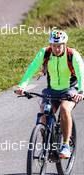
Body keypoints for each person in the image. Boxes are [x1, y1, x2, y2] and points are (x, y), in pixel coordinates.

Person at [15, 30, 84, 159]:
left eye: (59, 46)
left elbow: (81, 74)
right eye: (53, 46)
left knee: (64, 109)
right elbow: (32, 68)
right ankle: (47, 140)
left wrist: (81, 91)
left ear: (64, 44)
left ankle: (65, 145)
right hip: (52, 89)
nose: (56, 49)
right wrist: (22, 86)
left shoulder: (72, 55)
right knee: (44, 113)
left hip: (70, 89)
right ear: (50, 45)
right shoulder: (45, 53)